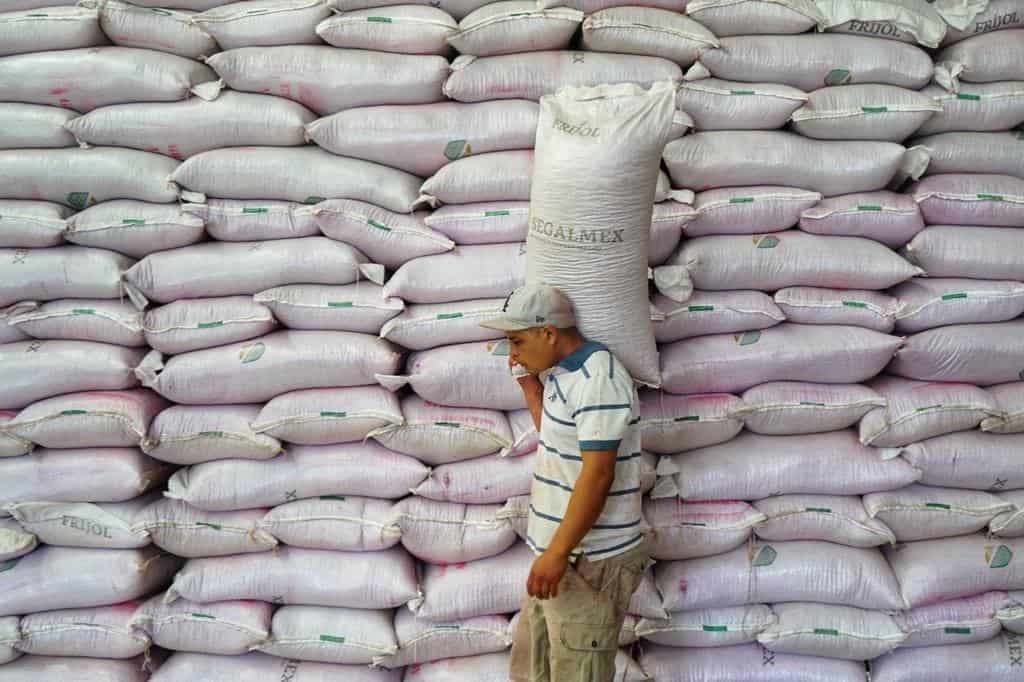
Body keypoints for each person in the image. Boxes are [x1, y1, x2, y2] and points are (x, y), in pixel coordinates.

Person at [480, 283, 650, 682]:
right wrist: (528, 386)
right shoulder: (559, 373)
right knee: (533, 671)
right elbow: (558, 439)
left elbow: (598, 474)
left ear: (548, 333)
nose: (513, 353)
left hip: (588, 559)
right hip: (558, 555)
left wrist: (558, 552)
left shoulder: (599, 379)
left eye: (516, 341)